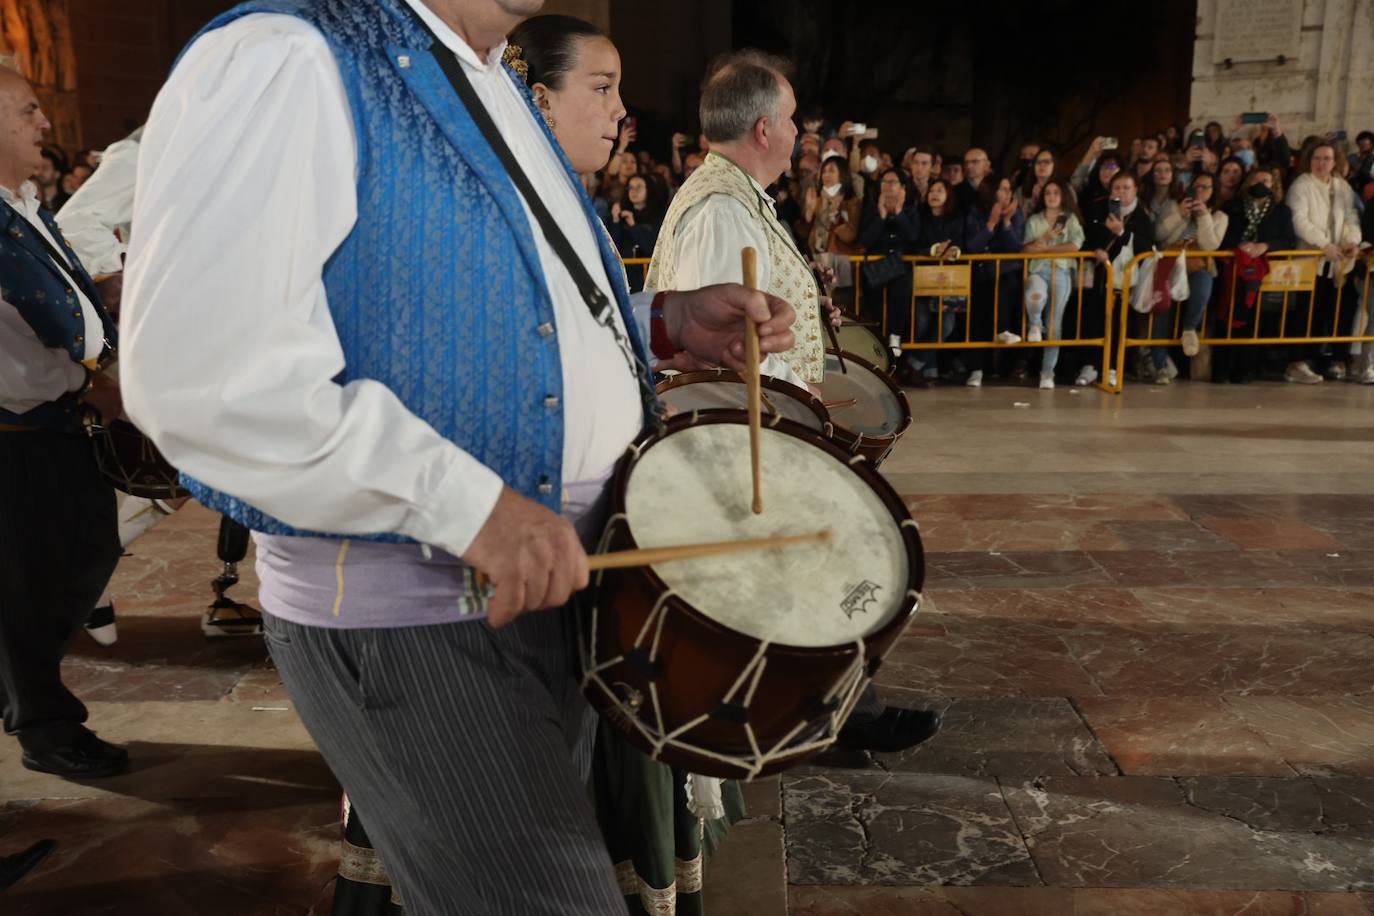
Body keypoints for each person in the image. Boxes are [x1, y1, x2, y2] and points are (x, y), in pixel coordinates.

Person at [121, 3, 799, 914]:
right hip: (416, 620)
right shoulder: (285, 56)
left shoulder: (483, 77)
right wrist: (468, 504)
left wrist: (665, 322)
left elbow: (499, 318)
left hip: (540, 592)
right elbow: (203, 377)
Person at [645, 50, 939, 751]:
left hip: (777, 426)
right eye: (793, 118)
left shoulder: (739, 196)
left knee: (809, 567)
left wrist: (809, 311)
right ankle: (826, 716)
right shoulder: (718, 210)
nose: (802, 130)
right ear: (763, 127)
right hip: (757, 436)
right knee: (814, 562)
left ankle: (831, 713)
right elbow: (713, 350)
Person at [0, 66, 127, 780]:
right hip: (17, 432)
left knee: (84, 555)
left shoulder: (19, 203)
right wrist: (88, 378)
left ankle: (26, 694)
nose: (45, 125)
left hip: (58, 415)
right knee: (27, 587)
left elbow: (48, 299)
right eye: (27, 111)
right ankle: (44, 724)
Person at [1286, 141, 1364, 383]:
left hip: (1339, 262)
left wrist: (1352, 240)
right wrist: (1323, 245)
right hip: (1312, 260)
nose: (1322, 163)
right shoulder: (1301, 185)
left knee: (1339, 309)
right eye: (1317, 158)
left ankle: (1335, 360)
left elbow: (1351, 216)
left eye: (1327, 158)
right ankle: (1298, 361)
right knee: (1308, 312)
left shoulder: (1342, 186)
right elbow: (1300, 221)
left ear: (1335, 161)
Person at [1213, 169, 1297, 383]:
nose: (1261, 183)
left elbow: (1288, 240)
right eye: (1256, 179)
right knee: (1227, 318)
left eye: (1266, 180)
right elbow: (1221, 235)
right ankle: (1222, 368)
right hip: (1232, 269)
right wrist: (1239, 245)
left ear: (1274, 184)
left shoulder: (1281, 211)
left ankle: (1247, 368)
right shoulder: (1232, 206)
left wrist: (1264, 246)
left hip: (1263, 273)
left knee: (1256, 321)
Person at [1147, 171, 1228, 382]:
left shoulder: (1219, 216)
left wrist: (1203, 217)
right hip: (1169, 263)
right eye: (1197, 187)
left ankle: (1189, 328)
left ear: (1213, 191)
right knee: (1162, 310)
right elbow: (1159, 235)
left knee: (1204, 283)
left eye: (1206, 188)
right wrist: (1180, 215)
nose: (1200, 192)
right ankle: (1160, 365)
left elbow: (1210, 245)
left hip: (1197, 265)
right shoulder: (1174, 206)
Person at [1021, 179, 1085, 389]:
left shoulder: (1070, 219)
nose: (1051, 196)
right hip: (1038, 269)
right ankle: (1035, 323)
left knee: (1055, 324)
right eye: (1047, 192)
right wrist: (1046, 238)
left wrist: (1045, 249)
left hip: (1062, 271)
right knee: (1035, 294)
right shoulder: (1034, 220)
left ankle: (1048, 372)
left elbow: (1074, 245)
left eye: (1056, 192)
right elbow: (1027, 249)